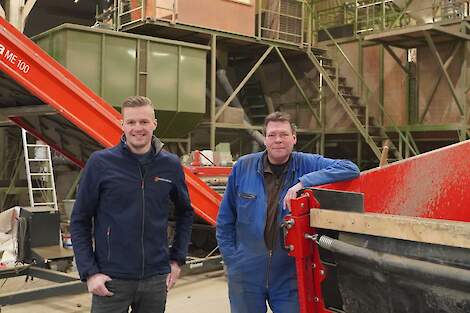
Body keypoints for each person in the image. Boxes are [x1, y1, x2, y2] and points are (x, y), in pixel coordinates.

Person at [216, 111, 360, 313]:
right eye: (272, 135)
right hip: (246, 273)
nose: (278, 140)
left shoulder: (306, 164)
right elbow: (225, 220)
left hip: (288, 275)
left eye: (283, 134)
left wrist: (304, 182)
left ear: (294, 138)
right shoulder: (243, 167)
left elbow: (350, 168)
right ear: (264, 139)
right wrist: (233, 260)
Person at [71, 96, 193, 313]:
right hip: (110, 279)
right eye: (132, 122)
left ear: (154, 124)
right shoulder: (100, 163)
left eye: (144, 122)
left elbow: (185, 213)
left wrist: (177, 260)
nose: (138, 128)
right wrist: (90, 272)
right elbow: (79, 220)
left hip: (156, 280)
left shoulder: (170, 165)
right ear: (122, 124)